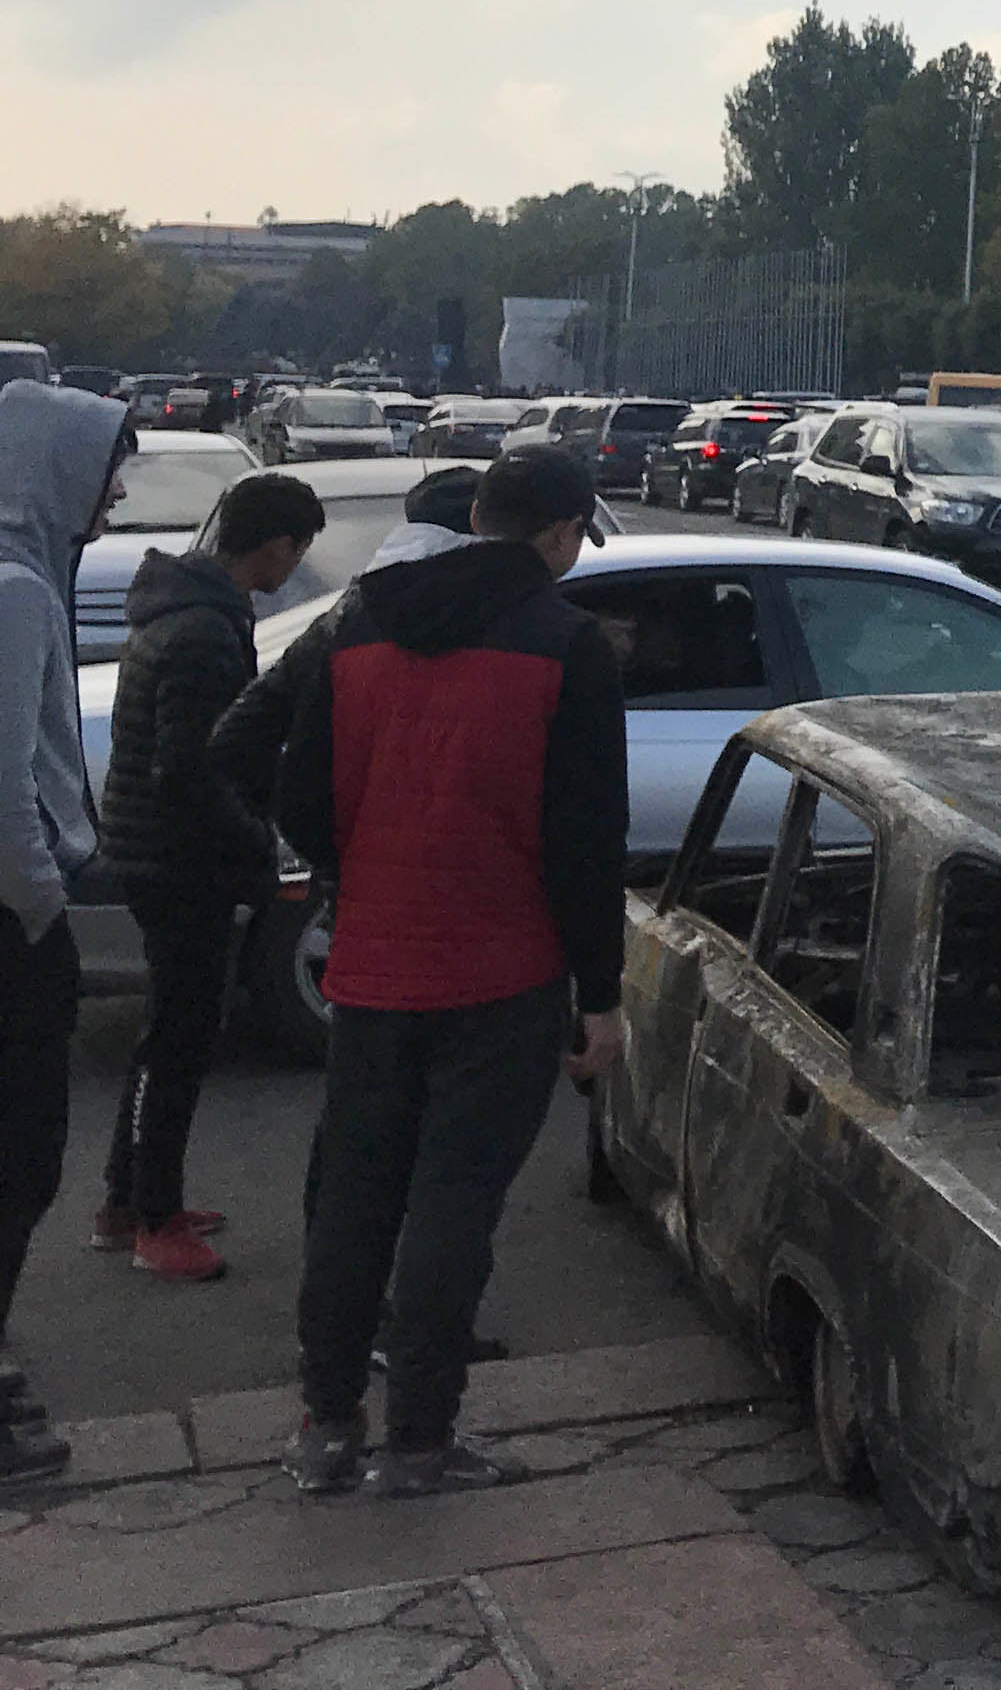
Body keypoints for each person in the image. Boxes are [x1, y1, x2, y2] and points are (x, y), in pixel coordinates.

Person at [261, 439, 626, 1498]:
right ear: (558, 535)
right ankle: (420, 1442)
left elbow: (298, 797)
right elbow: (585, 842)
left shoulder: (360, 624)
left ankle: (326, 1427)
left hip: (370, 966)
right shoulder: (567, 646)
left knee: (354, 1200)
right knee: (453, 1203)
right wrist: (597, 998)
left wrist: (361, 871)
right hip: (503, 974)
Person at [93, 469, 320, 1281]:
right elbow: (189, 769)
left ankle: (130, 1199)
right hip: (177, 858)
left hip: (155, 850)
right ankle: (154, 1221)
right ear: (274, 546)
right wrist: (263, 844)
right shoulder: (203, 633)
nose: (296, 565)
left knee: (171, 1030)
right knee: (178, 1041)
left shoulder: (184, 610)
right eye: (299, 549)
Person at [0, 380, 132, 1481]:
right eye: (105, 470)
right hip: (8, 927)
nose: (119, 493)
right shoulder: (12, 592)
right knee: (20, 1163)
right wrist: (47, 913)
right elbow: (5, 800)